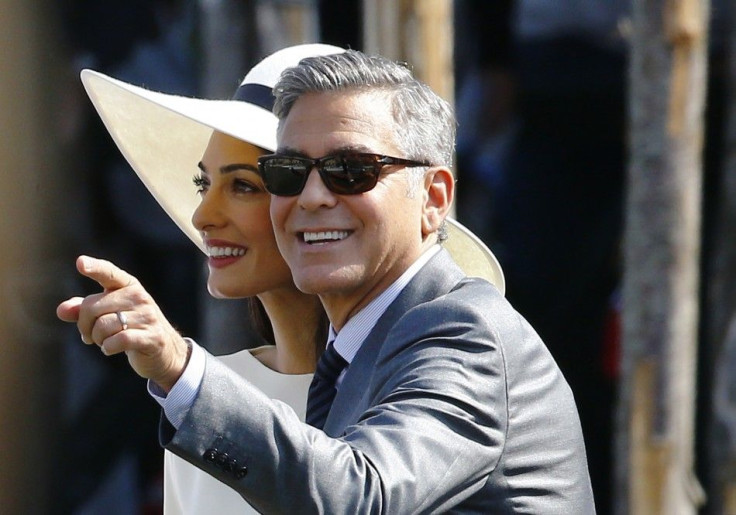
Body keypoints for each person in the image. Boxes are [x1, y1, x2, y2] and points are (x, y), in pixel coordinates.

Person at [59, 49, 590, 512]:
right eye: (288, 172)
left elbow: (360, 498)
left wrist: (181, 370)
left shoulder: (460, 331)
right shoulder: (354, 353)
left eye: (351, 170)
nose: (312, 197)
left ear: (432, 200)